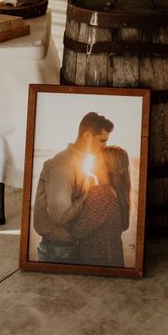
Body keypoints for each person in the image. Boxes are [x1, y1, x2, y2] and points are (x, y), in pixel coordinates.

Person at [33, 112, 114, 263]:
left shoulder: (78, 163)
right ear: (87, 136)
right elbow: (60, 217)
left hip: (67, 247)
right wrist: (87, 194)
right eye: (102, 140)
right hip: (57, 251)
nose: (105, 146)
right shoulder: (63, 166)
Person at [72, 146, 131, 267]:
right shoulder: (116, 192)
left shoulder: (101, 194)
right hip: (112, 258)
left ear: (107, 166)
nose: (93, 160)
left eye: (97, 158)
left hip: (98, 261)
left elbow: (78, 231)